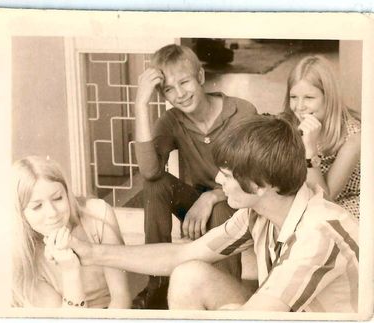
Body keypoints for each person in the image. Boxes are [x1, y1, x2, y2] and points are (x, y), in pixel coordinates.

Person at [67, 114, 359, 312]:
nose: (219, 182)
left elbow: (261, 315)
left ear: (261, 185)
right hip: (287, 310)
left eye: (227, 175)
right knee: (189, 274)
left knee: (234, 314)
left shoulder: (318, 233)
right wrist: (91, 254)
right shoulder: (260, 210)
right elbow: (183, 255)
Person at [134, 44, 257, 308]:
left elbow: (252, 180)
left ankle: (223, 294)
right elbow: (150, 171)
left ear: (200, 77)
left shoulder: (242, 112)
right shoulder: (172, 120)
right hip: (197, 204)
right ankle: (157, 283)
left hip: (236, 203)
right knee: (154, 186)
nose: (179, 94)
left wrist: (211, 197)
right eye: (168, 89)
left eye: (184, 82)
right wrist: (141, 105)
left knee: (224, 207)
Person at [12, 156, 132, 308]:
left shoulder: (98, 214)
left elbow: (121, 297)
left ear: (67, 193)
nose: (52, 213)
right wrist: (70, 271)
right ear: (20, 214)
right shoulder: (22, 258)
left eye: (57, 198)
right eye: (37, 207)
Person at [283, 55, 361, 218]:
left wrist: (309, 150)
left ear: (329, 97)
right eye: (293, 97)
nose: (299, 107)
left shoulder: (354, 137)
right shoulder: (291, 123)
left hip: (340, 206)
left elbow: (324, 199)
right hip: (305, 201)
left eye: (309, 98)